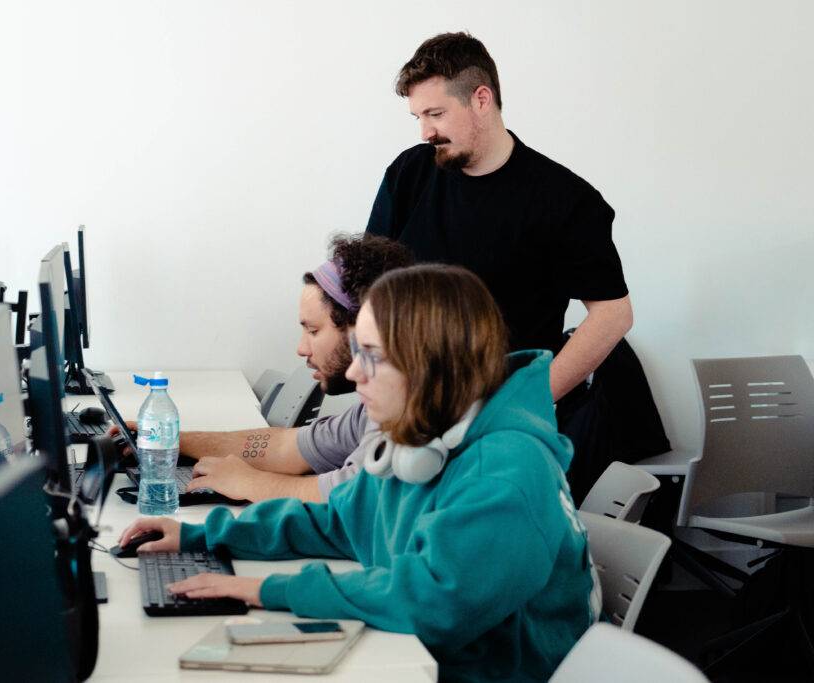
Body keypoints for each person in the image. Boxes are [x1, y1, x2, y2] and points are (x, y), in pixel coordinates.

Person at [118, 265, 600, 682]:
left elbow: (433, 599)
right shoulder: (420, 435)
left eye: (372, 355)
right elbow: (339, 522)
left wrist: (270, 590)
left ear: (427, 365)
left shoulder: (506, 474)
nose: (353, 374)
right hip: (432, 660)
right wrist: (204, 535)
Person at [366, 32, 633, 404]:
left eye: (436, 114)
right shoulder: (409, 173)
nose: (425, 131)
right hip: (411, 404)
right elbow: (368, 284)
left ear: (481, 99)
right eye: (418, 117)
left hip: (502, 414)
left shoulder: (565, 199)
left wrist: (532, 398)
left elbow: (613, 313)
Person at [110, 234, 412, 503]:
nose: (301, 348)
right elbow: (284, 446)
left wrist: (249, 482)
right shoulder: (370, 410)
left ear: (361, 331)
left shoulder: (410, 409)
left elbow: (347, 499)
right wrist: (172, 440)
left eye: (314, 331)